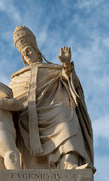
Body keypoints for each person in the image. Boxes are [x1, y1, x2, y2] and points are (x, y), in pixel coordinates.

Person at [9, 26, 95, 171]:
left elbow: (72, 83)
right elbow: (11, 96)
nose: (26, 52)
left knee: (64, 114)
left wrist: (66, 65)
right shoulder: (17, 77)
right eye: (23, 52)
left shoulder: (54, 69)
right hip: (24, 112)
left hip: (53, 106)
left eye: (29, 49)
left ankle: (69, 162)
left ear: (37, 51)